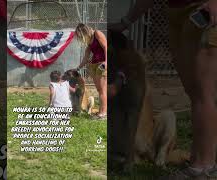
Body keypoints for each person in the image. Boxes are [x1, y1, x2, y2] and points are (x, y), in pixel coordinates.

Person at [110, 0, 217, 179]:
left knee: (203, 94)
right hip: (177, 13)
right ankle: (200, 159)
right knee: (195, 93)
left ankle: (203, 167)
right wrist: (126, 21)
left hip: (203, 9)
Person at [75, 23, 107, 119]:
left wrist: (106, 62)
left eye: (81, 35)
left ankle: (103, 114)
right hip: (93, 65)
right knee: (99, 90)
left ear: (84, 31)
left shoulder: (97, 33)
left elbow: (106, 47)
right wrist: (77, 68)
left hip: (102, 63)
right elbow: (86, 57)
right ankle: (101, 112)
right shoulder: (89, 41)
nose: (81, 38)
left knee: (102, 90)